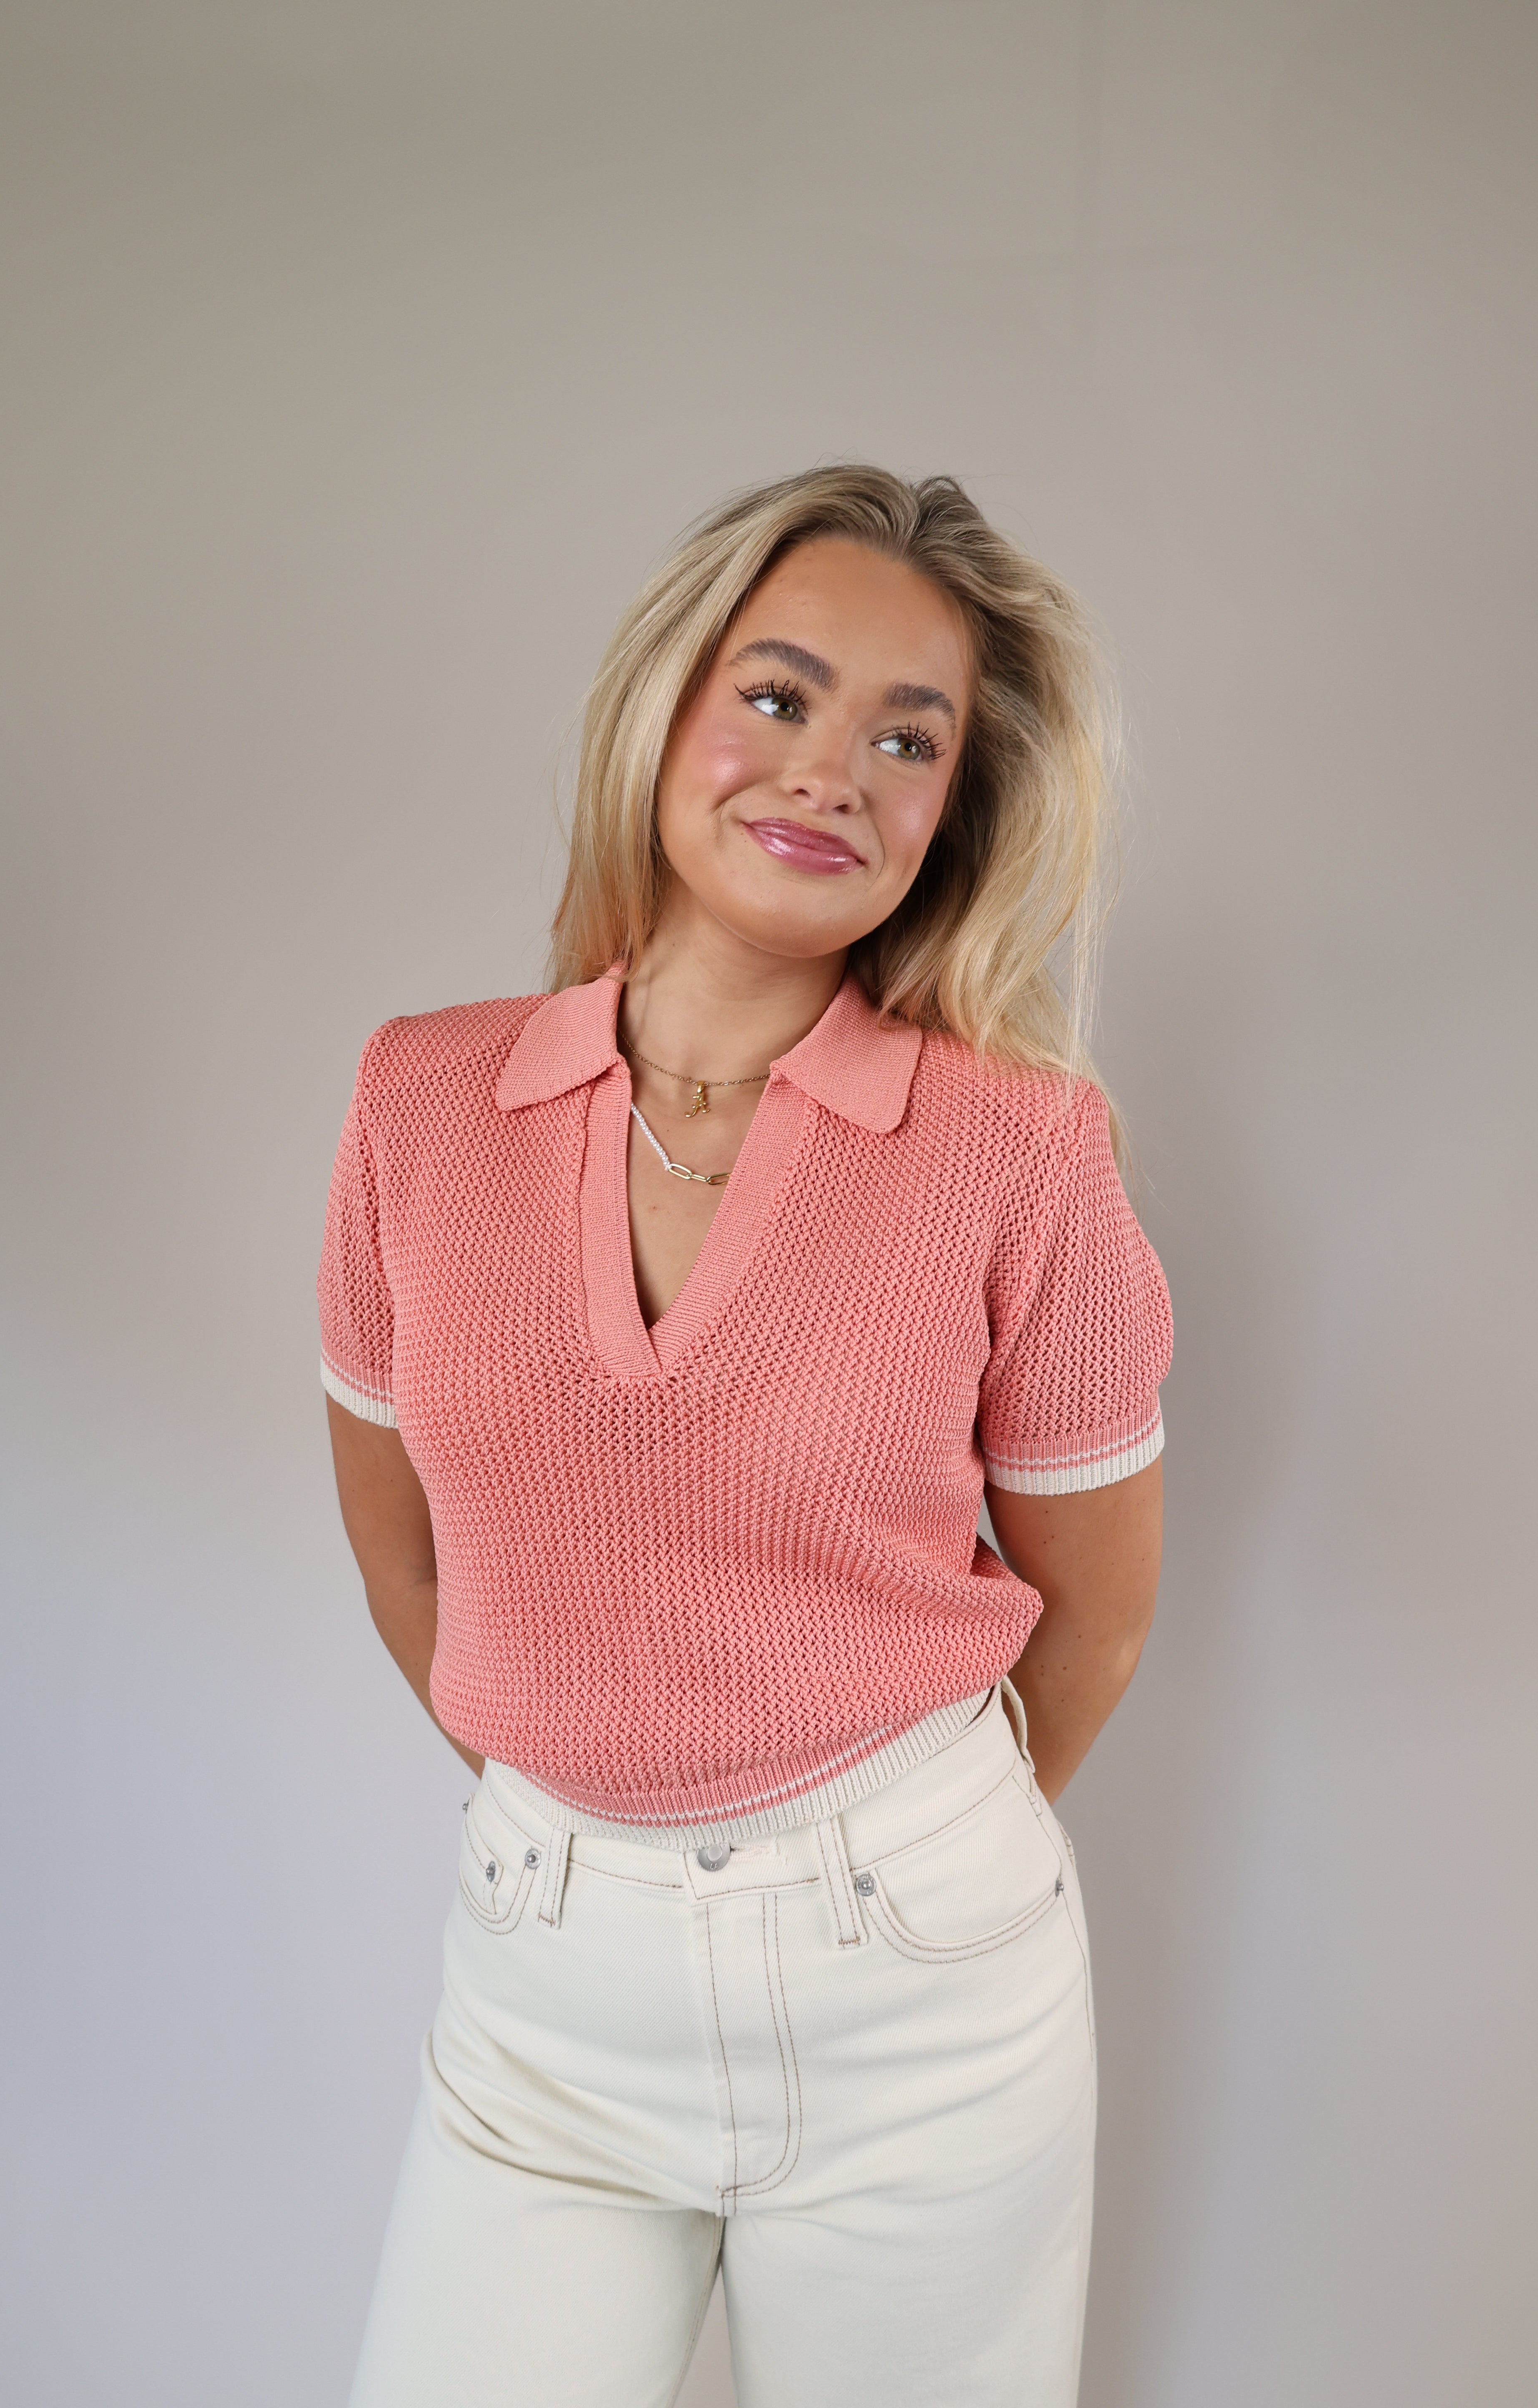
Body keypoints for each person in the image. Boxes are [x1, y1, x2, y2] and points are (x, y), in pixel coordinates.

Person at [319, 466, 1170, 2408]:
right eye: (779, 698)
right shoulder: (417, 1106)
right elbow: (405, 1554)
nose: (834, 774)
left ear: (953, 812)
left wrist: (861, 1865)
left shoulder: (1021, 1154)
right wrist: (602, 1787)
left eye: (907, 737)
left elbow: (1094, 1622)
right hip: (541, 1991)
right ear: (669, 709)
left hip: (922, 1998)